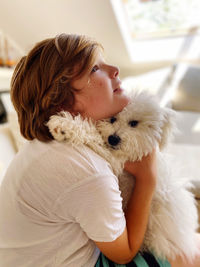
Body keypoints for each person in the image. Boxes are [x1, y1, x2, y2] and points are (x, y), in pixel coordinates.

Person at [0, 33, 199, 267]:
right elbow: (123, 253)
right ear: (63, 102)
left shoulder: (56, 144)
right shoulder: (84, 169)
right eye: (95, 69)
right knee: (191, 255)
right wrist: (147, 177)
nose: (114, 69)